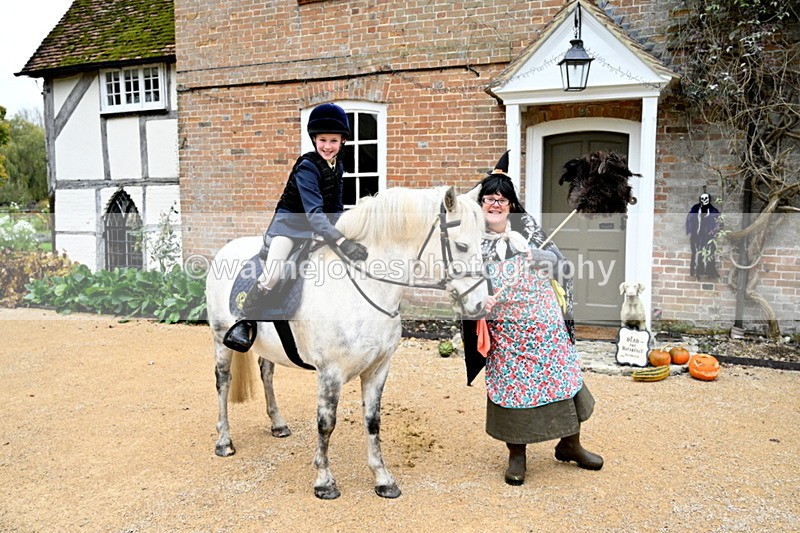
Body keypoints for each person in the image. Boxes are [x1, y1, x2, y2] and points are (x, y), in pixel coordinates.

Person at [464, 151, 603, 486]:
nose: (495, 204)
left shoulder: (529, 234)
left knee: (563, 382)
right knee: (514, 392)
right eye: (489, 199)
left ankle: (570, 444)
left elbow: (565, 268)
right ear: (480, 204)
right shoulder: (470, 244)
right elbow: (461, 286)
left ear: (511, 205)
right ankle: (517, 455)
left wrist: (544, 258)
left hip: (546, 330)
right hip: (508, 337)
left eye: (502, 199)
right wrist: (479, 299)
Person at [224, 103, 369, 351]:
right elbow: (313, 213)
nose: (327, 146)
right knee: (273, 274)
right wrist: (341, 241)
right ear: (314, 139)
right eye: (322, 140)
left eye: (333, 140)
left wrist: (344, 230)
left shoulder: (338, 166)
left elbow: (334, 207)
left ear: (342, 141)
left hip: (316, 227)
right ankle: (244, 321)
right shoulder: (307, 167)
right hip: (289, 226)